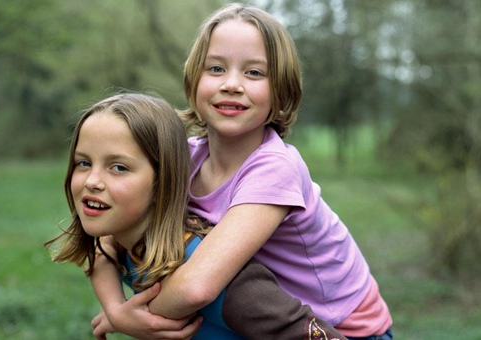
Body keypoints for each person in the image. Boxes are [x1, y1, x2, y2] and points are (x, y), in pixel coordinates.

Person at [148, 3, 393, 339]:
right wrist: (114, 304)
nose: (232, 84)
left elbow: (196, 289)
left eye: (254, 73)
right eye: (216, 68)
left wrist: (132, 320)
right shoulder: (185, 157)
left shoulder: (275, 167)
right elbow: (113, 226)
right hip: (267, 316)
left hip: (342, 328)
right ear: (193, 81)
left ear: (281, 94)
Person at [44, 93, 346, 340]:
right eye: (83, 163)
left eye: (118, 167)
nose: (92, 181)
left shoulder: (225, 283)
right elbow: (100, 251)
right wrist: (116, 311)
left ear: (164, 181)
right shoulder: (122, 244)